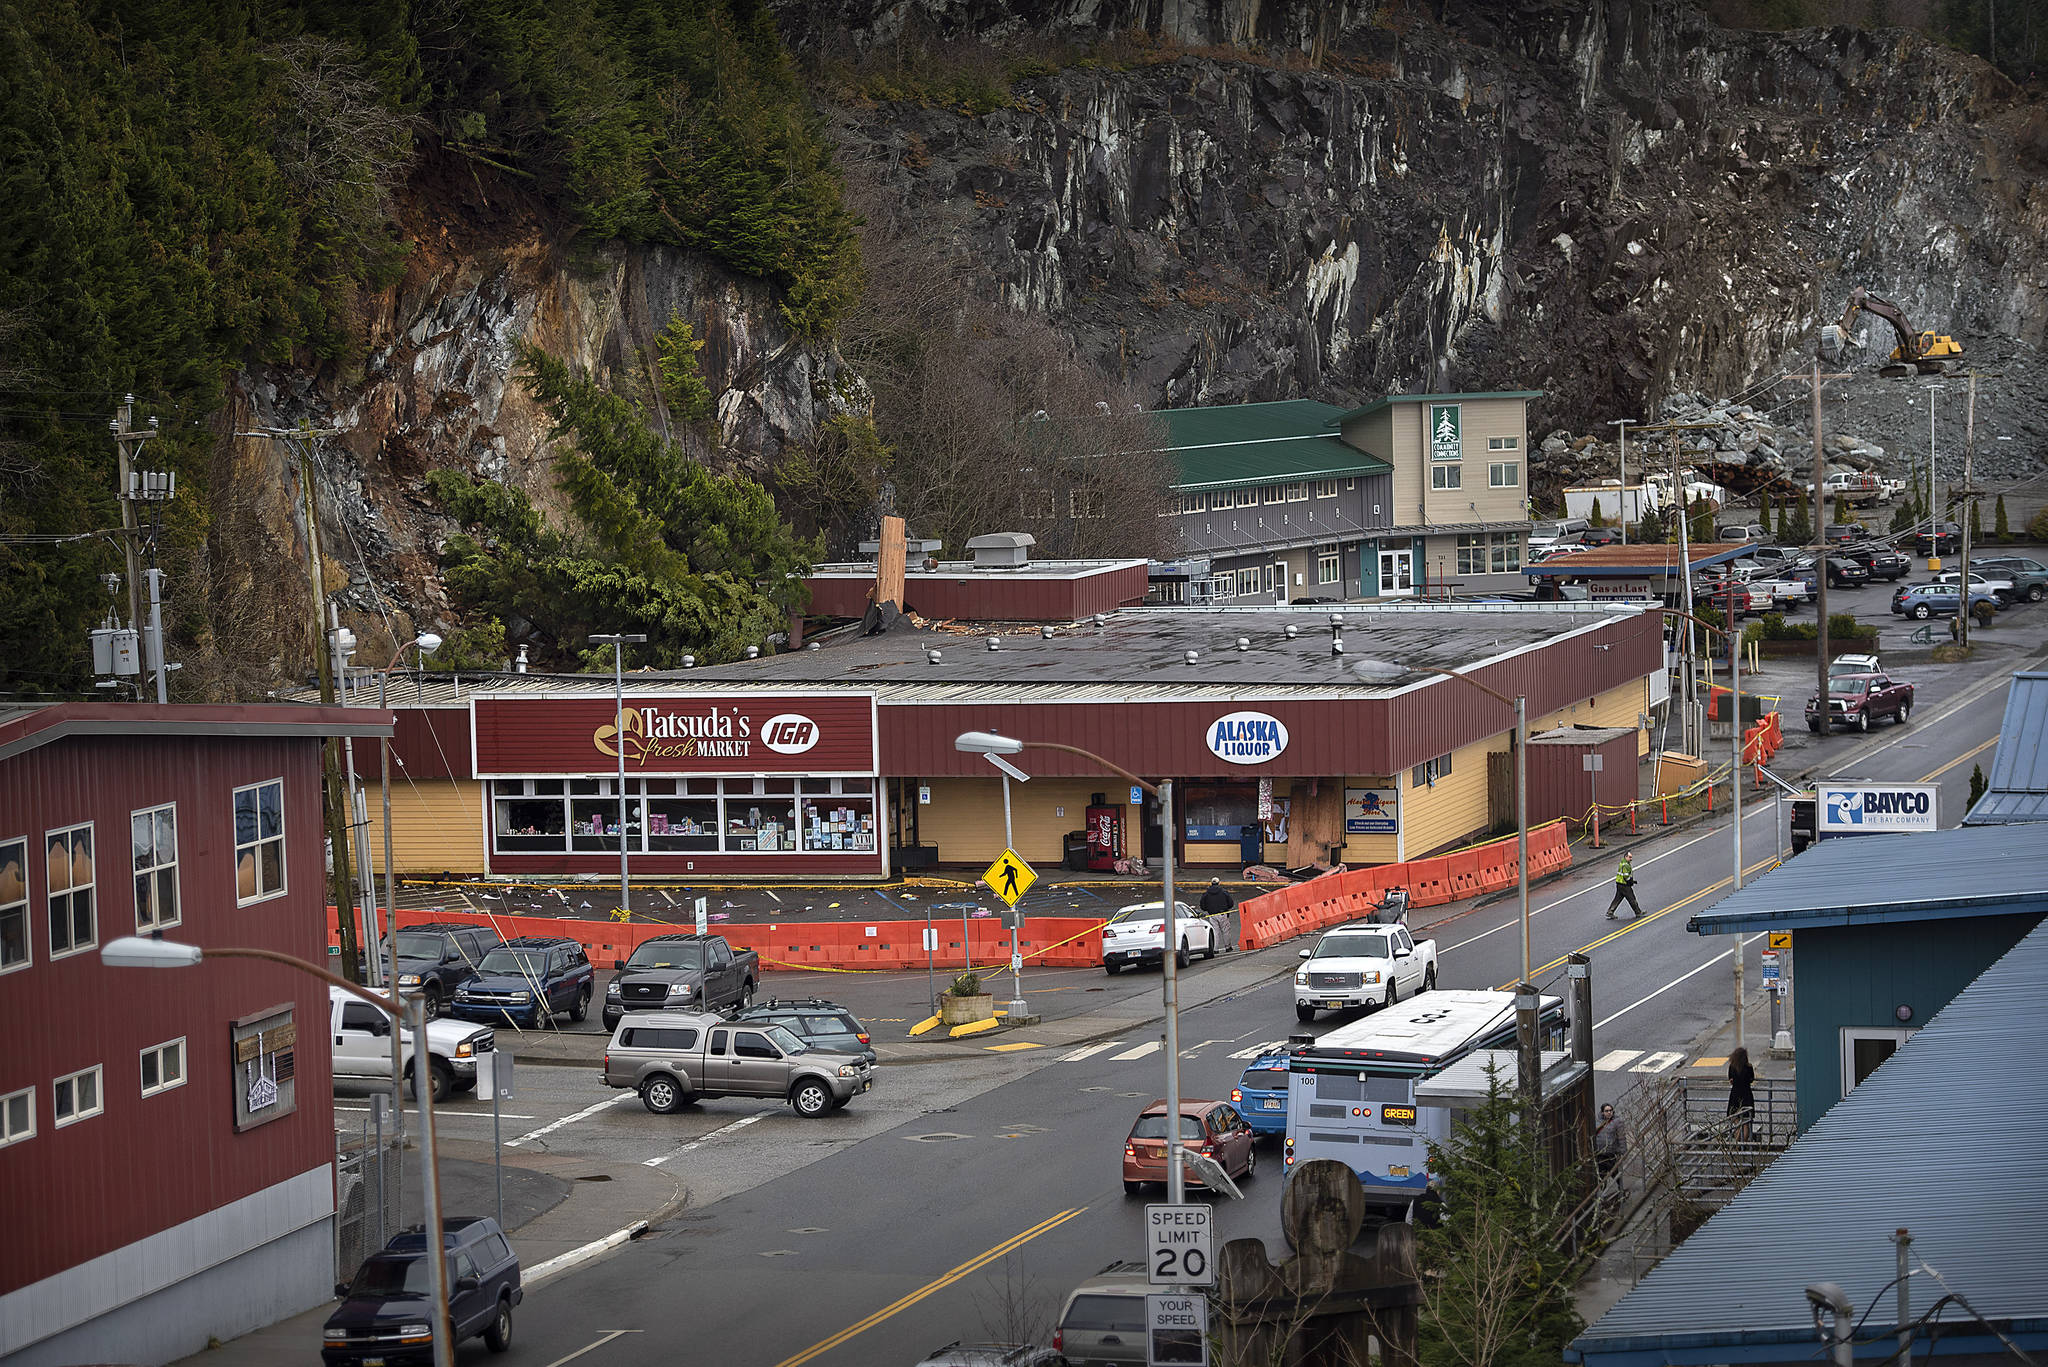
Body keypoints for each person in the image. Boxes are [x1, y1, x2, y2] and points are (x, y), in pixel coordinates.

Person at [1593, 1103, 1628, 1190]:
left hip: (1611, 1153)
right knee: (1601, 1176)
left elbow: (1621, 1137)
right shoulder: (1597, 1122)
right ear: (1602, 1112)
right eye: (1606, 1111)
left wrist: (1623, 1151)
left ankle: (1621, 1190)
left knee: (1615, 1174)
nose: (1609, 1112)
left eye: (1610, 1110)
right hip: (1600, 1154)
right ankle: (1601, 1195)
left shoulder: (1617, 1122)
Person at [1727, 1046, 1757, 1142]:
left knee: (1736, 1120)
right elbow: (1751, 1079)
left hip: (1735, 1095)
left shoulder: (1732, 1067)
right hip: (1746, 1095)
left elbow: (1730, 1079)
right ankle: (1742, 1145)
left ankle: (1736, 1144)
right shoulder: (1748, 1067)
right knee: (1745, 1123)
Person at [1605, 851, 1643, 920]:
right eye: (1629, 857)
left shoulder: (1622, 863)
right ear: (1625, 857)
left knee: (1618, 898)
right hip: (1624, 885)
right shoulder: (1626, 865)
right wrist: (1631, 882)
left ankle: (1610, 911)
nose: (1631, 859)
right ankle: (1638, 912)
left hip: (1619, 883)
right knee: (1631, 898)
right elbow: (1626, 876)